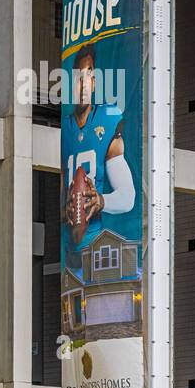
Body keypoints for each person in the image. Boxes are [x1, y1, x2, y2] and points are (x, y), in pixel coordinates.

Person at [61, 43, 135, 274]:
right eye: (77, 78)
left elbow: (127, 197)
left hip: (96, 251)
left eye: (88, 76)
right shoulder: (65, 128)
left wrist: (100, 201)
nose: (82, 84)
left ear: (94, 82)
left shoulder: (107, 119)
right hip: (67, 254)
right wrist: (66, 210)